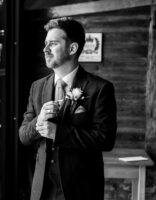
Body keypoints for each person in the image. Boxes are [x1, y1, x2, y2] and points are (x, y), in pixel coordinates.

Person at [19, 17, 117, 200]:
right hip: (42, 191)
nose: (45, 49)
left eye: (53, 44)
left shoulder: (100, 88)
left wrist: (59, 132)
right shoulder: (37, 87)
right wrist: (38, 121)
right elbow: (24, 136)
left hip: (81, 190)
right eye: (45, 44)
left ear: (72, 49)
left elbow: (106, 139)